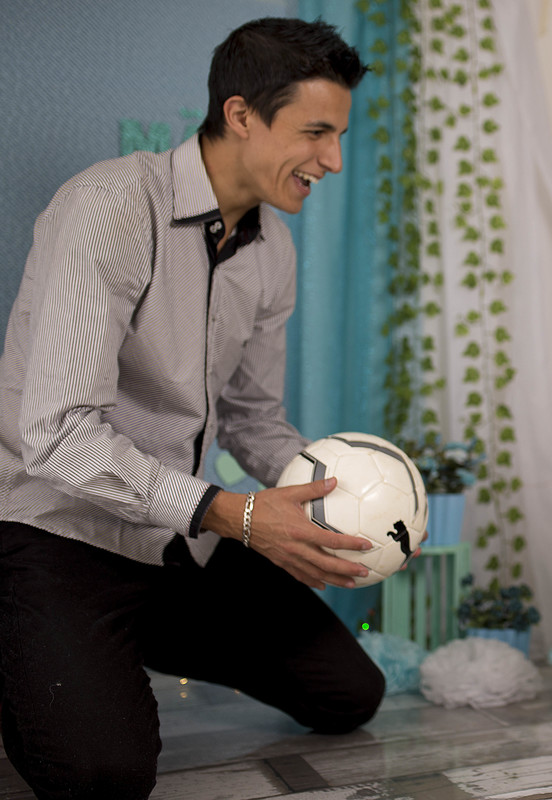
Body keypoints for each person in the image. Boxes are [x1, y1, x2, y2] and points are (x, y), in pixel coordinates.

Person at [0, 18, 389, 799]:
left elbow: (252, 419)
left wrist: (348, 493)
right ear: (241, 114)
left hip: (181, 540)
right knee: (102, 778)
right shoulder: (109, 205)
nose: (333, 160)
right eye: (315, 132)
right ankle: (45, 642)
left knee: (350, 695)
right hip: (56, 534)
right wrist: (238, 515)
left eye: (339, 135)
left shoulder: (273, 250)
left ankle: (103, 651)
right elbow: (55, 435)